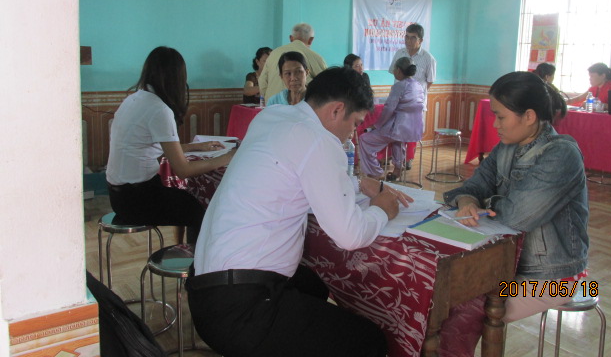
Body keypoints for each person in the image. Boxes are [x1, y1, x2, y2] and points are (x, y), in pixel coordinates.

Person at [187, 67, 413, 357]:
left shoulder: (272, 116)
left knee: (313, 286)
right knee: (369, 341)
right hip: (241, 311)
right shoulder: (318, 139)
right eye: (355, 123)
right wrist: (381, 210)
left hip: (205, 290)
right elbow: (350, 235)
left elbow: (292, 181)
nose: (353, 134)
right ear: (337, 110)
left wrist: (357, 183)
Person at [439, 71, 588, 356]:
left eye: (500, 117)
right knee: (441, 296)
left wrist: (483, 203)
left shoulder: (561, 155)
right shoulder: (506, 147)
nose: (495, 124)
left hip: (554, 280)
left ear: (529, 116)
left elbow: (518, 216)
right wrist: (467, 200)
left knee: (462, 309)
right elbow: (472, 186)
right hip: (505, 266)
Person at [106, 47, 235, 244]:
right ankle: (195, 261)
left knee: (189, 199)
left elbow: (151, 148)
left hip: (119, 195)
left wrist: (196, 147)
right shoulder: (159, 109)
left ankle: (190, 255)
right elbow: (183, 170)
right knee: (200, 208)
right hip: (137, 199)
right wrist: (228, 157)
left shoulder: (134, 99)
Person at [359, 57, 424, 181]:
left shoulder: (399, 86)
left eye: (394, 69)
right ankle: (398, 169)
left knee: (365, 139)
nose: (393, 71)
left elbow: (389, 109)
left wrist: (376, 125)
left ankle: (375, 172)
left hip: (400, 127)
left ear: (398, 70)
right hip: (415, 128)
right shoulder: (418, 85)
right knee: (398, 141)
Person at [389, 23, 436, 169]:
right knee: (396, 130)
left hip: (416, 103)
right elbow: (393, 72)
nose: (408, 41)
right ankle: (397, 159)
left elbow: (429, 81)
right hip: (398, 101)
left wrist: (415, 94)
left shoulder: (428, 58)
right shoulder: (399, 53)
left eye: (413, 38)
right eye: (407, 37)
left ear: (420, 40)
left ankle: (408, 158)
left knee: (412, 132)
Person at [258, 23, 328, 102]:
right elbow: (326, 85)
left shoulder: (273, 53)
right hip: (301, 105)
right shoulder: (315, 57)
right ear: (311, 40)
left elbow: (262, 82)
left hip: (273, 104)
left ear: (291, 38)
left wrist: (268, 100)